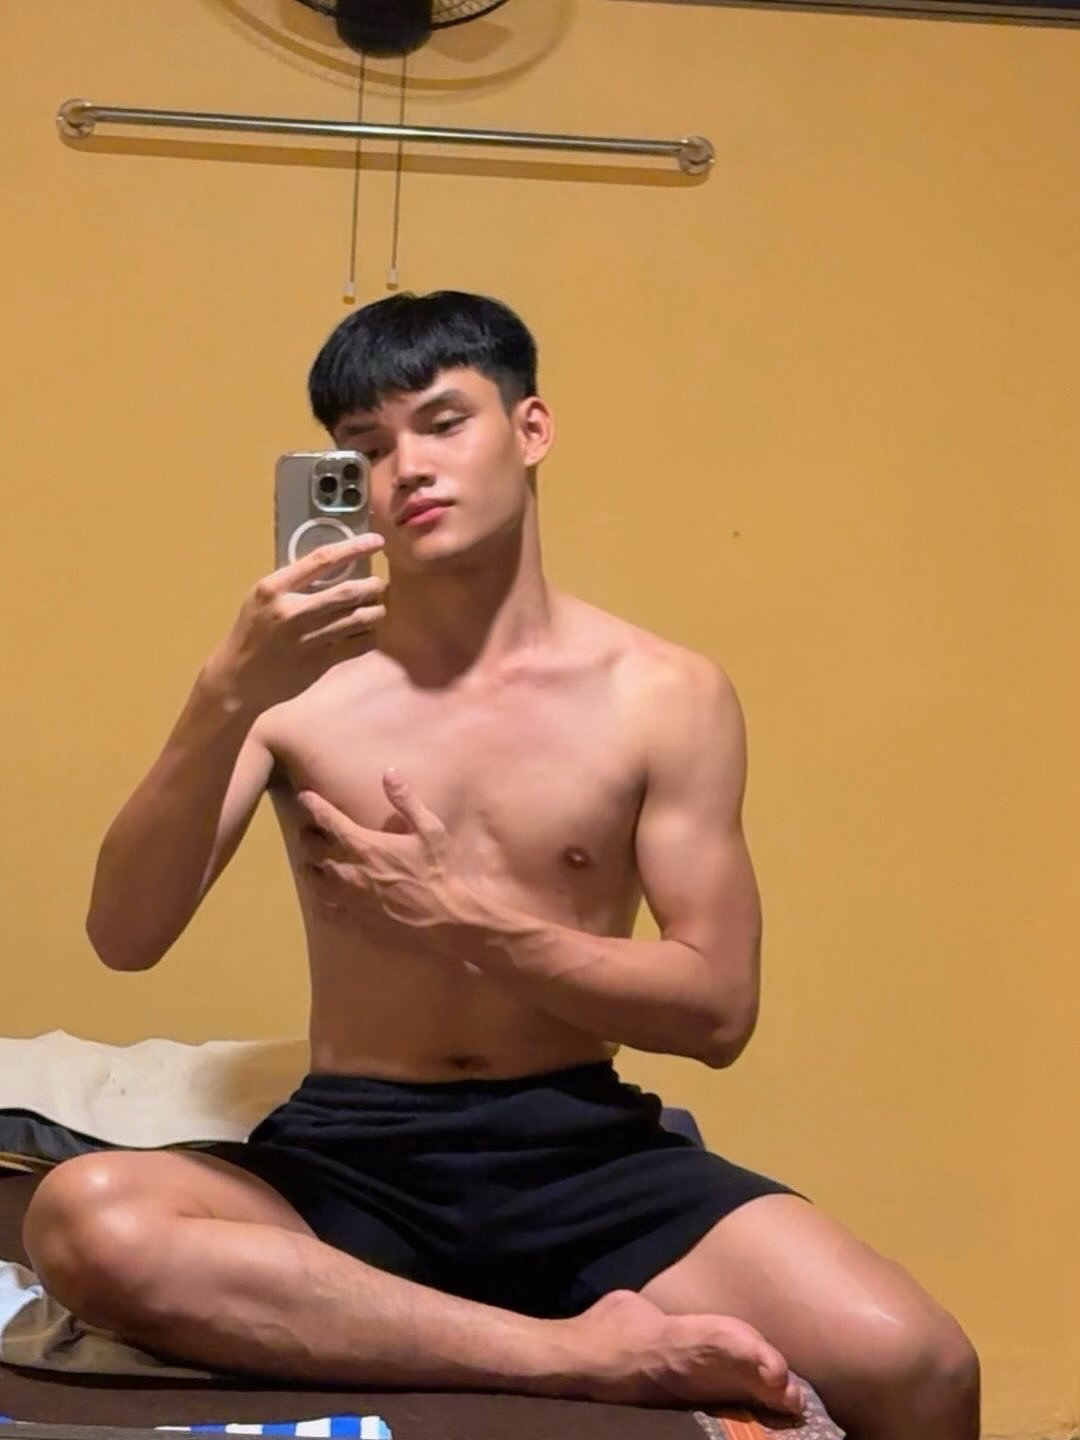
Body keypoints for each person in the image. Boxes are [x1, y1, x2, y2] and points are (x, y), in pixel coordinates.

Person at [24, 292, 978, 1438]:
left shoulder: (661, 694)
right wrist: (222, 694)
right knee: (86, 1218)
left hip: (582, 1152)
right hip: (353, 1159)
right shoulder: (293, 689)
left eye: (442, 422)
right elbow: (124, 936)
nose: (407, 470)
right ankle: (578, 1355)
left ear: (530, 430)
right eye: (366, 450)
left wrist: (470, 924)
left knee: (920, 1364)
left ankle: (549, 1331)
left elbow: (719, 1010)